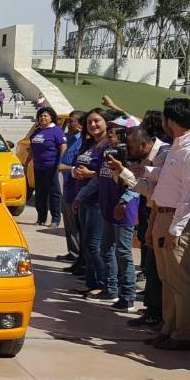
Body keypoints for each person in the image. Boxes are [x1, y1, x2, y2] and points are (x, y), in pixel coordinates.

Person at [144, 98, 190, 351]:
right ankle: (169, 328)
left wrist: (176, 230)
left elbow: (189, 195)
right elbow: (170, 178)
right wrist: (146, 172)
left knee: (181, 280)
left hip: (178, 219)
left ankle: (185, 334)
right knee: (167, 278)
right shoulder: (178, 144)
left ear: (170, 121)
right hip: (164, 214)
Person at [117, 124, 169, 330]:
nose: (129, 151)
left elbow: (153, 192)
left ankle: (160, 315)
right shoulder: (147, 158)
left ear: (143, 144)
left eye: (131, 147)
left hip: (164, 215)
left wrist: (125, 173)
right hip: (153, 213)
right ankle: (152, 310)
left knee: (159, 270)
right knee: (151, 266)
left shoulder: (163, 156)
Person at [71, 108, 115, 300]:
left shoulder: (109, 146)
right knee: (87, 244)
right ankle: (91, 284)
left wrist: (90, 174)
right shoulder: (88, 144)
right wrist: (76, 172)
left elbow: (108, 172)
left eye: (97, 121)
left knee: (95, 245)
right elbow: (76, 163)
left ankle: (105, 285)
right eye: (89, 122)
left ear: (106, 122)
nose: (93, 125)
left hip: (99, 201)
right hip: (83, 199)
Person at [100, 124, 142, 312]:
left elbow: (135, 185)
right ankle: (112, 289)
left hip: (125, 210)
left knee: (123, 253)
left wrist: (123, 201)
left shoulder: (130, 159)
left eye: (114, 134)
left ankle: (128, 295)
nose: (110, 136)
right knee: (107, 249)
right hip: (110, 209)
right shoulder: (110, 155)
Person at [24, 107, 66, 227]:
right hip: (38, 167)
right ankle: (41, 219)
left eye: (45, 116)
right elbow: (32, 148)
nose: (43, 118)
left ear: (51, 117)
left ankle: (55, 219)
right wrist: (27, 162)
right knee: (40, 194)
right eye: (41, 116)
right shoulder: (37, 131)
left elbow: (63, 147)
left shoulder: (56, 130)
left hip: (51, 167)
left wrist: (59, 162)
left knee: (53, 193)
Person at [57, 111, 85, 264]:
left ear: (80, 124)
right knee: (69, 222)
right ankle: (73, 252)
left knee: (76, 223)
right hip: (66, 184)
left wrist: (67, 168)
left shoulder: (82, 141)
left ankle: (79, 256)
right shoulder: (68, 138)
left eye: (72, 121)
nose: (68, 124)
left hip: (76, 187)